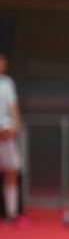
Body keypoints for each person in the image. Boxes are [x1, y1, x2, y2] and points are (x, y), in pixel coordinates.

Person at [0, 53, 23, 225]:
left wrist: (14, 127)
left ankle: (12, 212)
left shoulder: (7, 83)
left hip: (6, 134)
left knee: (11, 171)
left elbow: (13, 108)